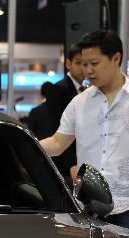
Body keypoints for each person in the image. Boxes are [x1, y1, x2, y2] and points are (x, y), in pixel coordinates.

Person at [40, 30, 129, 237]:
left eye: (95, 63)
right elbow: (57, 143)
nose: (87, 70)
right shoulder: (79, 102)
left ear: (116, 58)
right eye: (83, 64)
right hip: (87, 204)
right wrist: (25, 145)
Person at [45, 43, 85, 180]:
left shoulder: (87, 90)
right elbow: (57, 129)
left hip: (82, 161)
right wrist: (72, 164)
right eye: (78, 63)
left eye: (86, 63)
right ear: (68, 63)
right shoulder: (58, 89)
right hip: (64, 165)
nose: (83, 68)